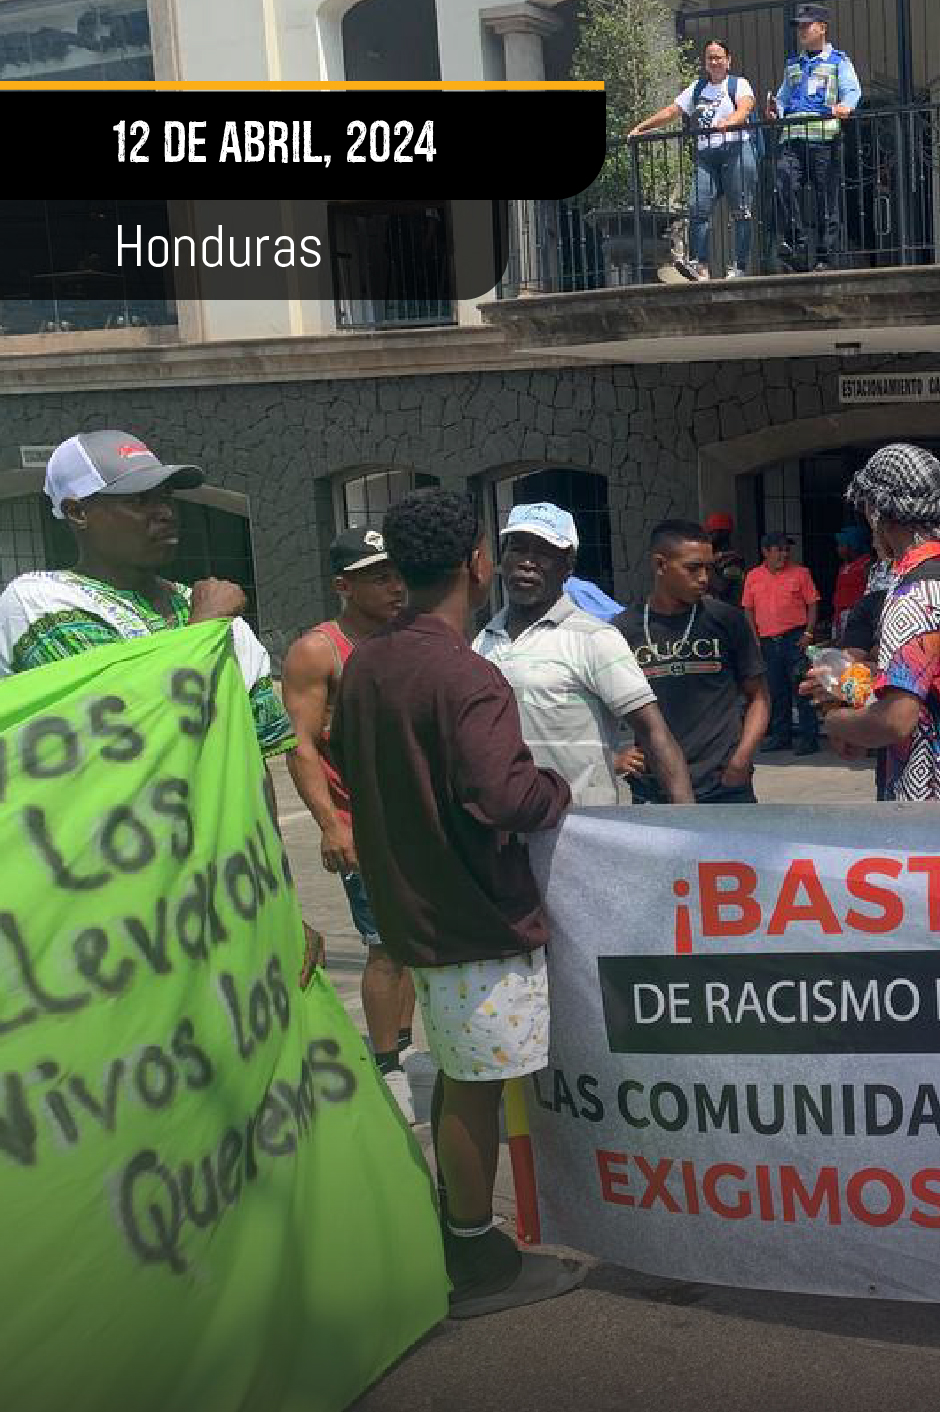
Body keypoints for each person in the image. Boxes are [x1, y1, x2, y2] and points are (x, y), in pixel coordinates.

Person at [330, 488, 582, 1316]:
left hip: (413, 905)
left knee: (460, 1075)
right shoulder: (467, 674)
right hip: (476, 914)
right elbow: (506, 796)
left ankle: (461, 1232)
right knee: (475, 1087)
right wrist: (554, 789)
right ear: (477, 563)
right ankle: (477, 1258)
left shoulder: (366, 662)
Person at [0, 432, 294, 762]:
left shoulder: (207, 606)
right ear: (77, 512)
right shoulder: (40, 602)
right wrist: (205, 628)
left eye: (166, 496)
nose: (166, 513)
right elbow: (124, 738)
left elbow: (255, 754)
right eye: (139, 500)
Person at [279, 527, 415, 1117]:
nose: (393, 585)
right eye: (377, 577)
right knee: (384, 947)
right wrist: (331, 825)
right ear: (343, 585)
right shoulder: (320, 650)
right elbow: (301, 746)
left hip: (417, 819)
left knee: (413, 943)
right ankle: (387, 1066)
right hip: (363, 823)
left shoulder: (408, 635)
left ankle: (405, 1048)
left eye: (396, 573)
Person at [803, 443, 940, 802]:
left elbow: (895, 720)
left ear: (879, 512)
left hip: (931, 798)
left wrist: (834, 722)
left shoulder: (914, 596)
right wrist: (851, 687)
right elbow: (934, 686)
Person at [474, 503, 693, 806]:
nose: (527, 562)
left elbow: (654, 733)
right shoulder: (482, 643)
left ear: (568, 567)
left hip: (578, 827)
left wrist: (688, 820)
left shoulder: (595, 638)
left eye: (543, 553)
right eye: (517, 548)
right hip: (505, 827)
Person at [611, 520, 770, 804]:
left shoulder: (726, 620)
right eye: (693, 568)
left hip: (724, 786)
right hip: (654, 788)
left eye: (708, 568)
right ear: (660, 565)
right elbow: (593, 705)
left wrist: (741, 759)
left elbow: (759, 697)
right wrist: (612, 756)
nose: (704, 578)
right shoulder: (623, 630)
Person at [629, 38, 758, 281]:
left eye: (718, 57)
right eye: (710, 58)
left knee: (741, 210)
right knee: (698, 208)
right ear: (705, 62)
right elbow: (672, 111)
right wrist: (642, 128)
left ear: (728, 60)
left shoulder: (738, 84)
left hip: (736, 149)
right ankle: (700, 266)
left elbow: (745, 108)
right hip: (706, 154)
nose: (714, 62)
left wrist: (729, 122)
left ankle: (739, 267)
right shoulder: (697, 88)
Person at [769, 3, 859, 272]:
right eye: (799, 26)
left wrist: (846, 106)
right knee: (783, 184)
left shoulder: (838, 61)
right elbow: (783, 97)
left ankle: (825, 256)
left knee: (826, 200)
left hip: (824, 139)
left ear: (822, 28)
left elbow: (852, 90)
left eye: (806, 26)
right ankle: (796, 244)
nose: (802, 31)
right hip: (792, 138)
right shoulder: (793, 64)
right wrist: (775, 109)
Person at [741, 530, 823, 754]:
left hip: (795, 638)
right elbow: (748, 609)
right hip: (767, 641)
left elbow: (813, 603)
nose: (784, 555)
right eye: (779, 550)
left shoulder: (801, 573)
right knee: (776, 691)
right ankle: (781, 737)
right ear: (765, 552)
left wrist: (808, 633)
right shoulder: (753, 576)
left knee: (802, 689)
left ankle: (809, 739)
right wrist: (754, 639)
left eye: (787, 550)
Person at [831, 522, 875, 619]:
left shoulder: (867, 565)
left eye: (841, 545)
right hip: (840, 614)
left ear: (853, 546)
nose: (838, 549)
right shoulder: (844, 566)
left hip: (856, 614)